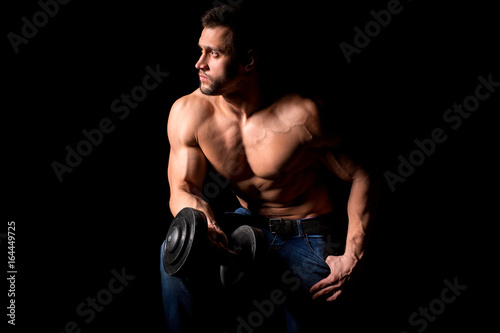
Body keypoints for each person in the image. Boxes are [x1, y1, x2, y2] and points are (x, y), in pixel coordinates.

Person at [161, 5, 377, 333]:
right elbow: (184, 188)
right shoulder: (190, 112)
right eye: (200, 50)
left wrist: (353, 255)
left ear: (248, 61)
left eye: (213, 53)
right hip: (243, 227)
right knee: (176, 251)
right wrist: (207, 224)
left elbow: (363, 174)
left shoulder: (302, 115)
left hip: (307, 234)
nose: (199, 63)